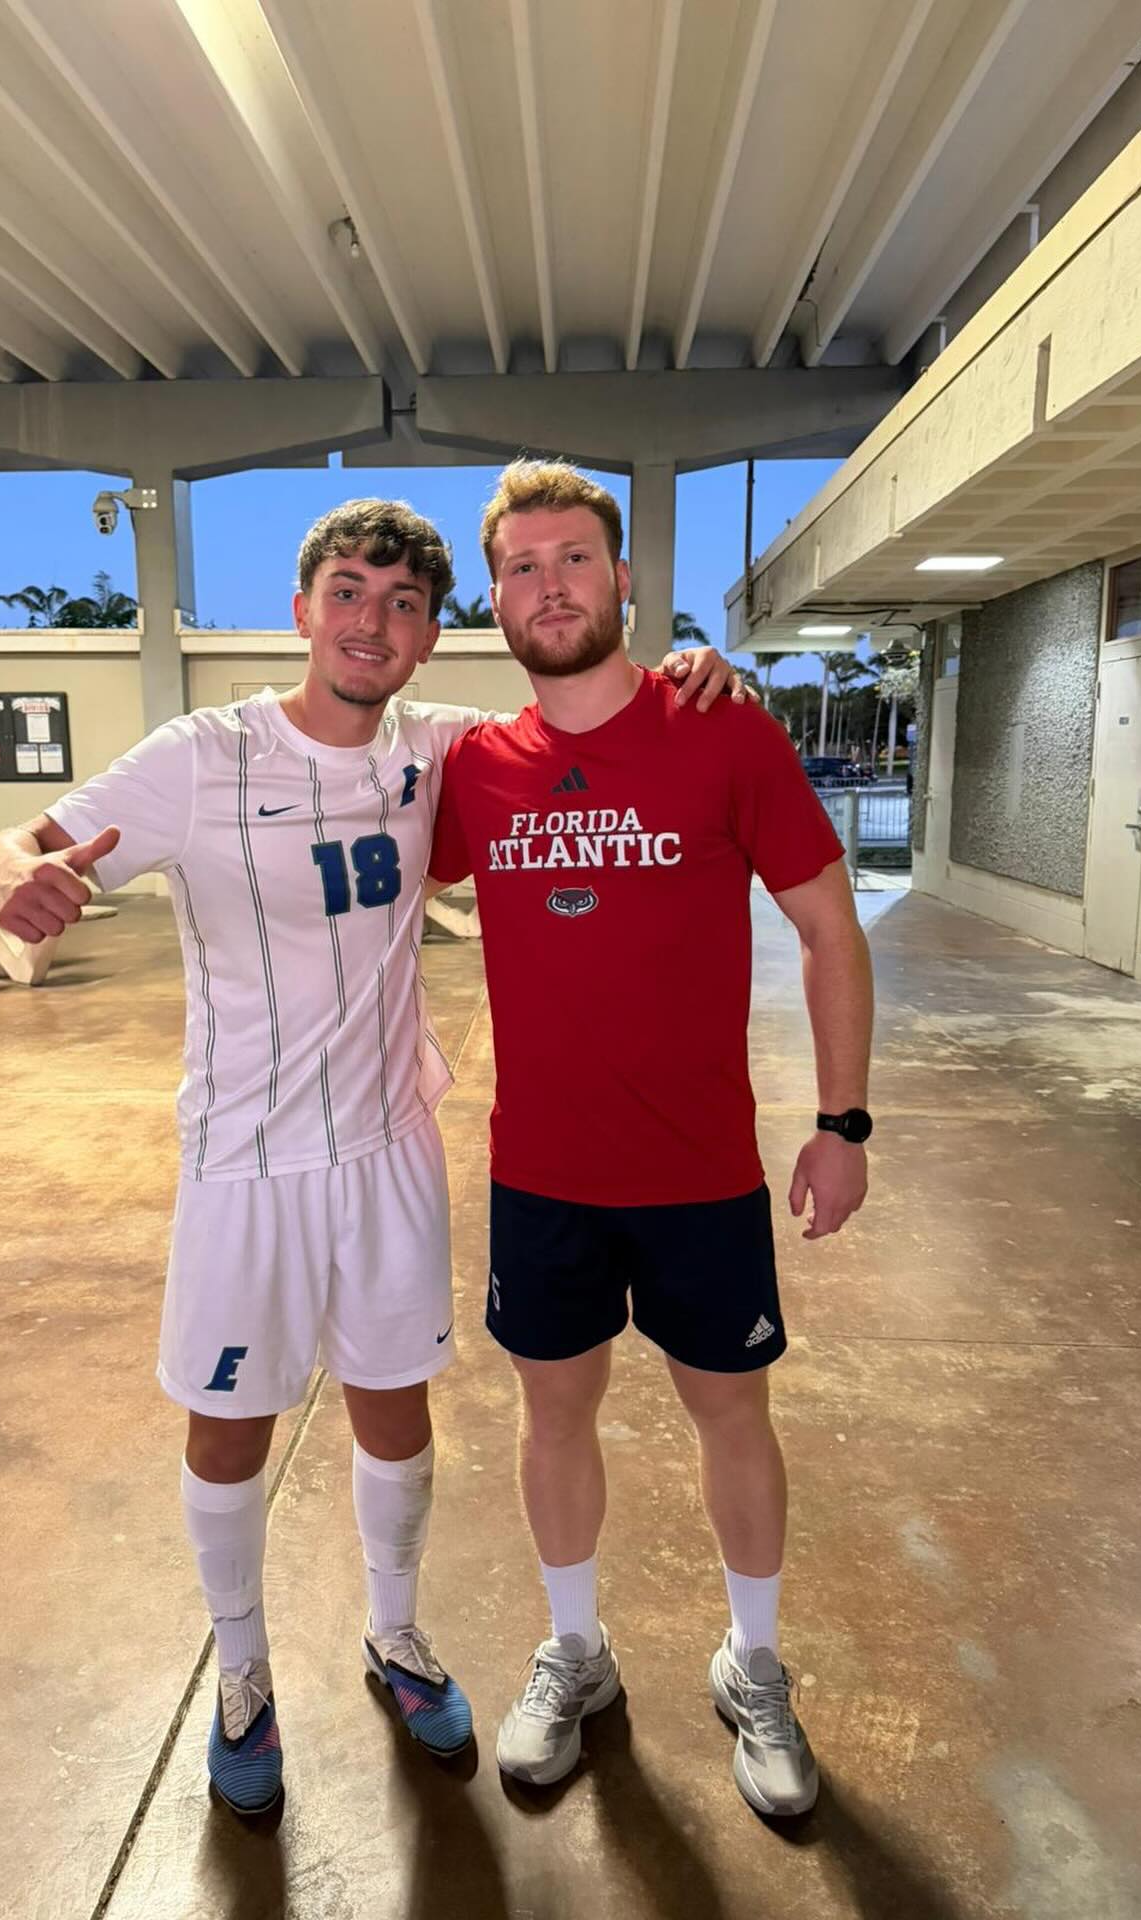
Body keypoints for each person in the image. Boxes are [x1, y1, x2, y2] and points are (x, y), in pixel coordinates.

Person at [0, 497, 737, 1819]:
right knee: (231, 1426)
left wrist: (691, 673)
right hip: (243, 1167)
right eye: (347, 590)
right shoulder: (199, 756)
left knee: (397, 1409)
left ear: (432, 637)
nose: (370, 620)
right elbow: (21, 846)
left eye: (400, 603)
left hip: (386, 1152)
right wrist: (7, 880)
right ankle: (244, 1676)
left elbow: (596, 713)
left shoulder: (440, 750)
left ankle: (394, 1637)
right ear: (301, 607)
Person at [426, 461, 874, 1814]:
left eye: (573, 559)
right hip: (542, 1174)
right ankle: (576, 1652)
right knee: (552, 1413)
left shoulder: (724, 731)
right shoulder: (472, 767)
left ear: (624, 580)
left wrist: (843, 1121)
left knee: (731, 1412)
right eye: (521, 566)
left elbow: (828, 929)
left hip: (701, 1174)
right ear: (493, 597)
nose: (548, 584)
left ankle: (755, 1664)